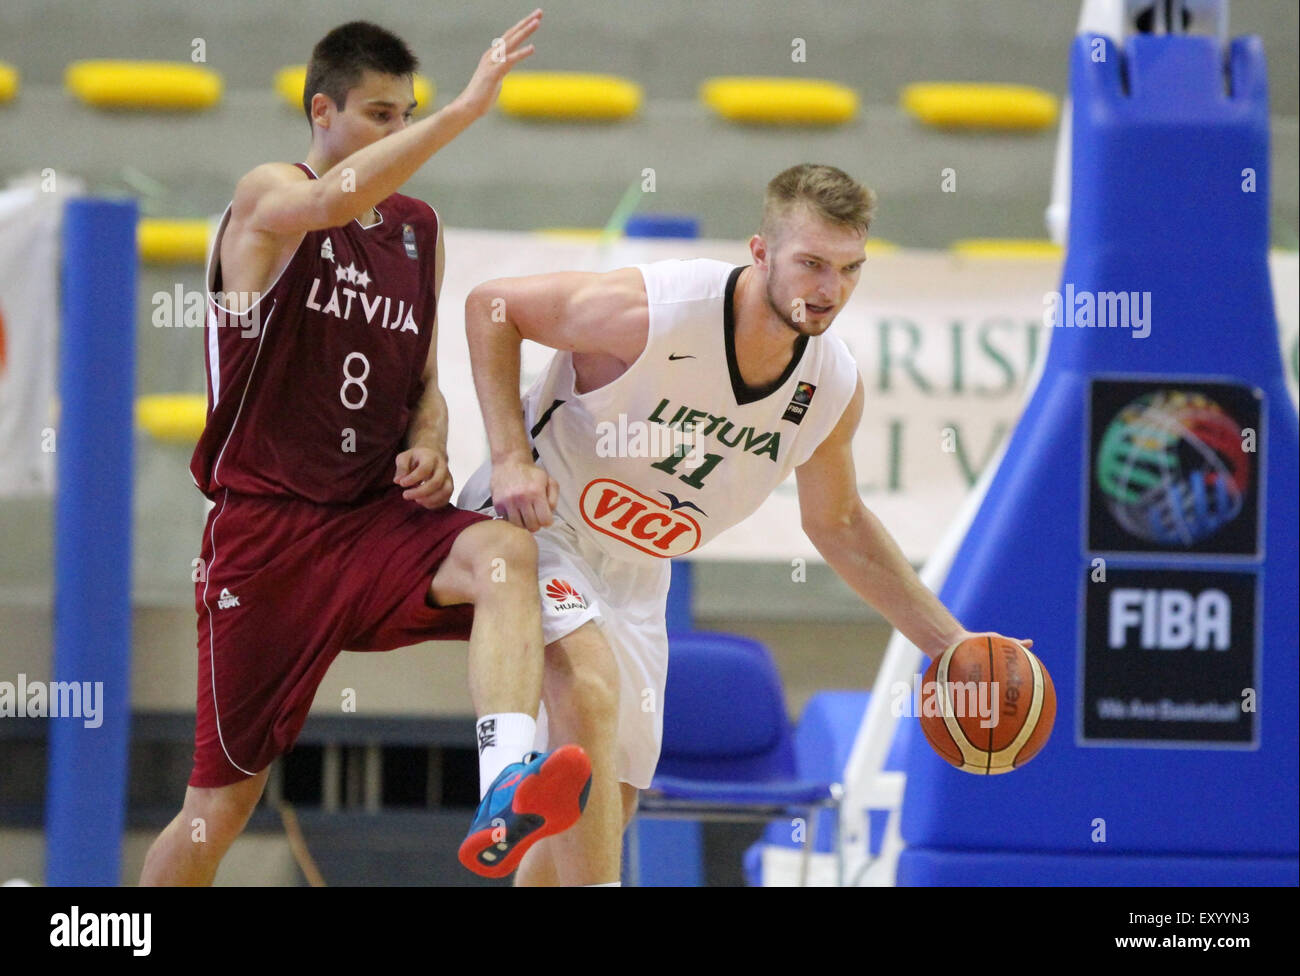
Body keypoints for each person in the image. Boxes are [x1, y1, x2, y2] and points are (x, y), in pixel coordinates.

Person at [460, 163, 1033, 885]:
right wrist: (511, 456)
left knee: (605, 801)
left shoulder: (830, 386)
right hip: (540, 525)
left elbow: (842, 525)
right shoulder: (658, 310)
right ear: (760, 253)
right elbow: (491, 306)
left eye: (850, 269)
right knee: (591, 692)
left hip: (638, 572)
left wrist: (950, 644)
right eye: (812, 265)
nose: (829, 290)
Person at [141, 13, 593, 886]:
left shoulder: (419, 227)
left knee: (508, 555)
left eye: (408, 113)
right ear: (323, 111)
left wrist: (430, 442)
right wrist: (464, 110)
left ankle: (505, 784)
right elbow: (329, 202)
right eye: (381, 115)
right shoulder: (270, 196)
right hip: (265, 538)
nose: (400, 131)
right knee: (217, 812)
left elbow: (423, 381)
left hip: (371, 525)